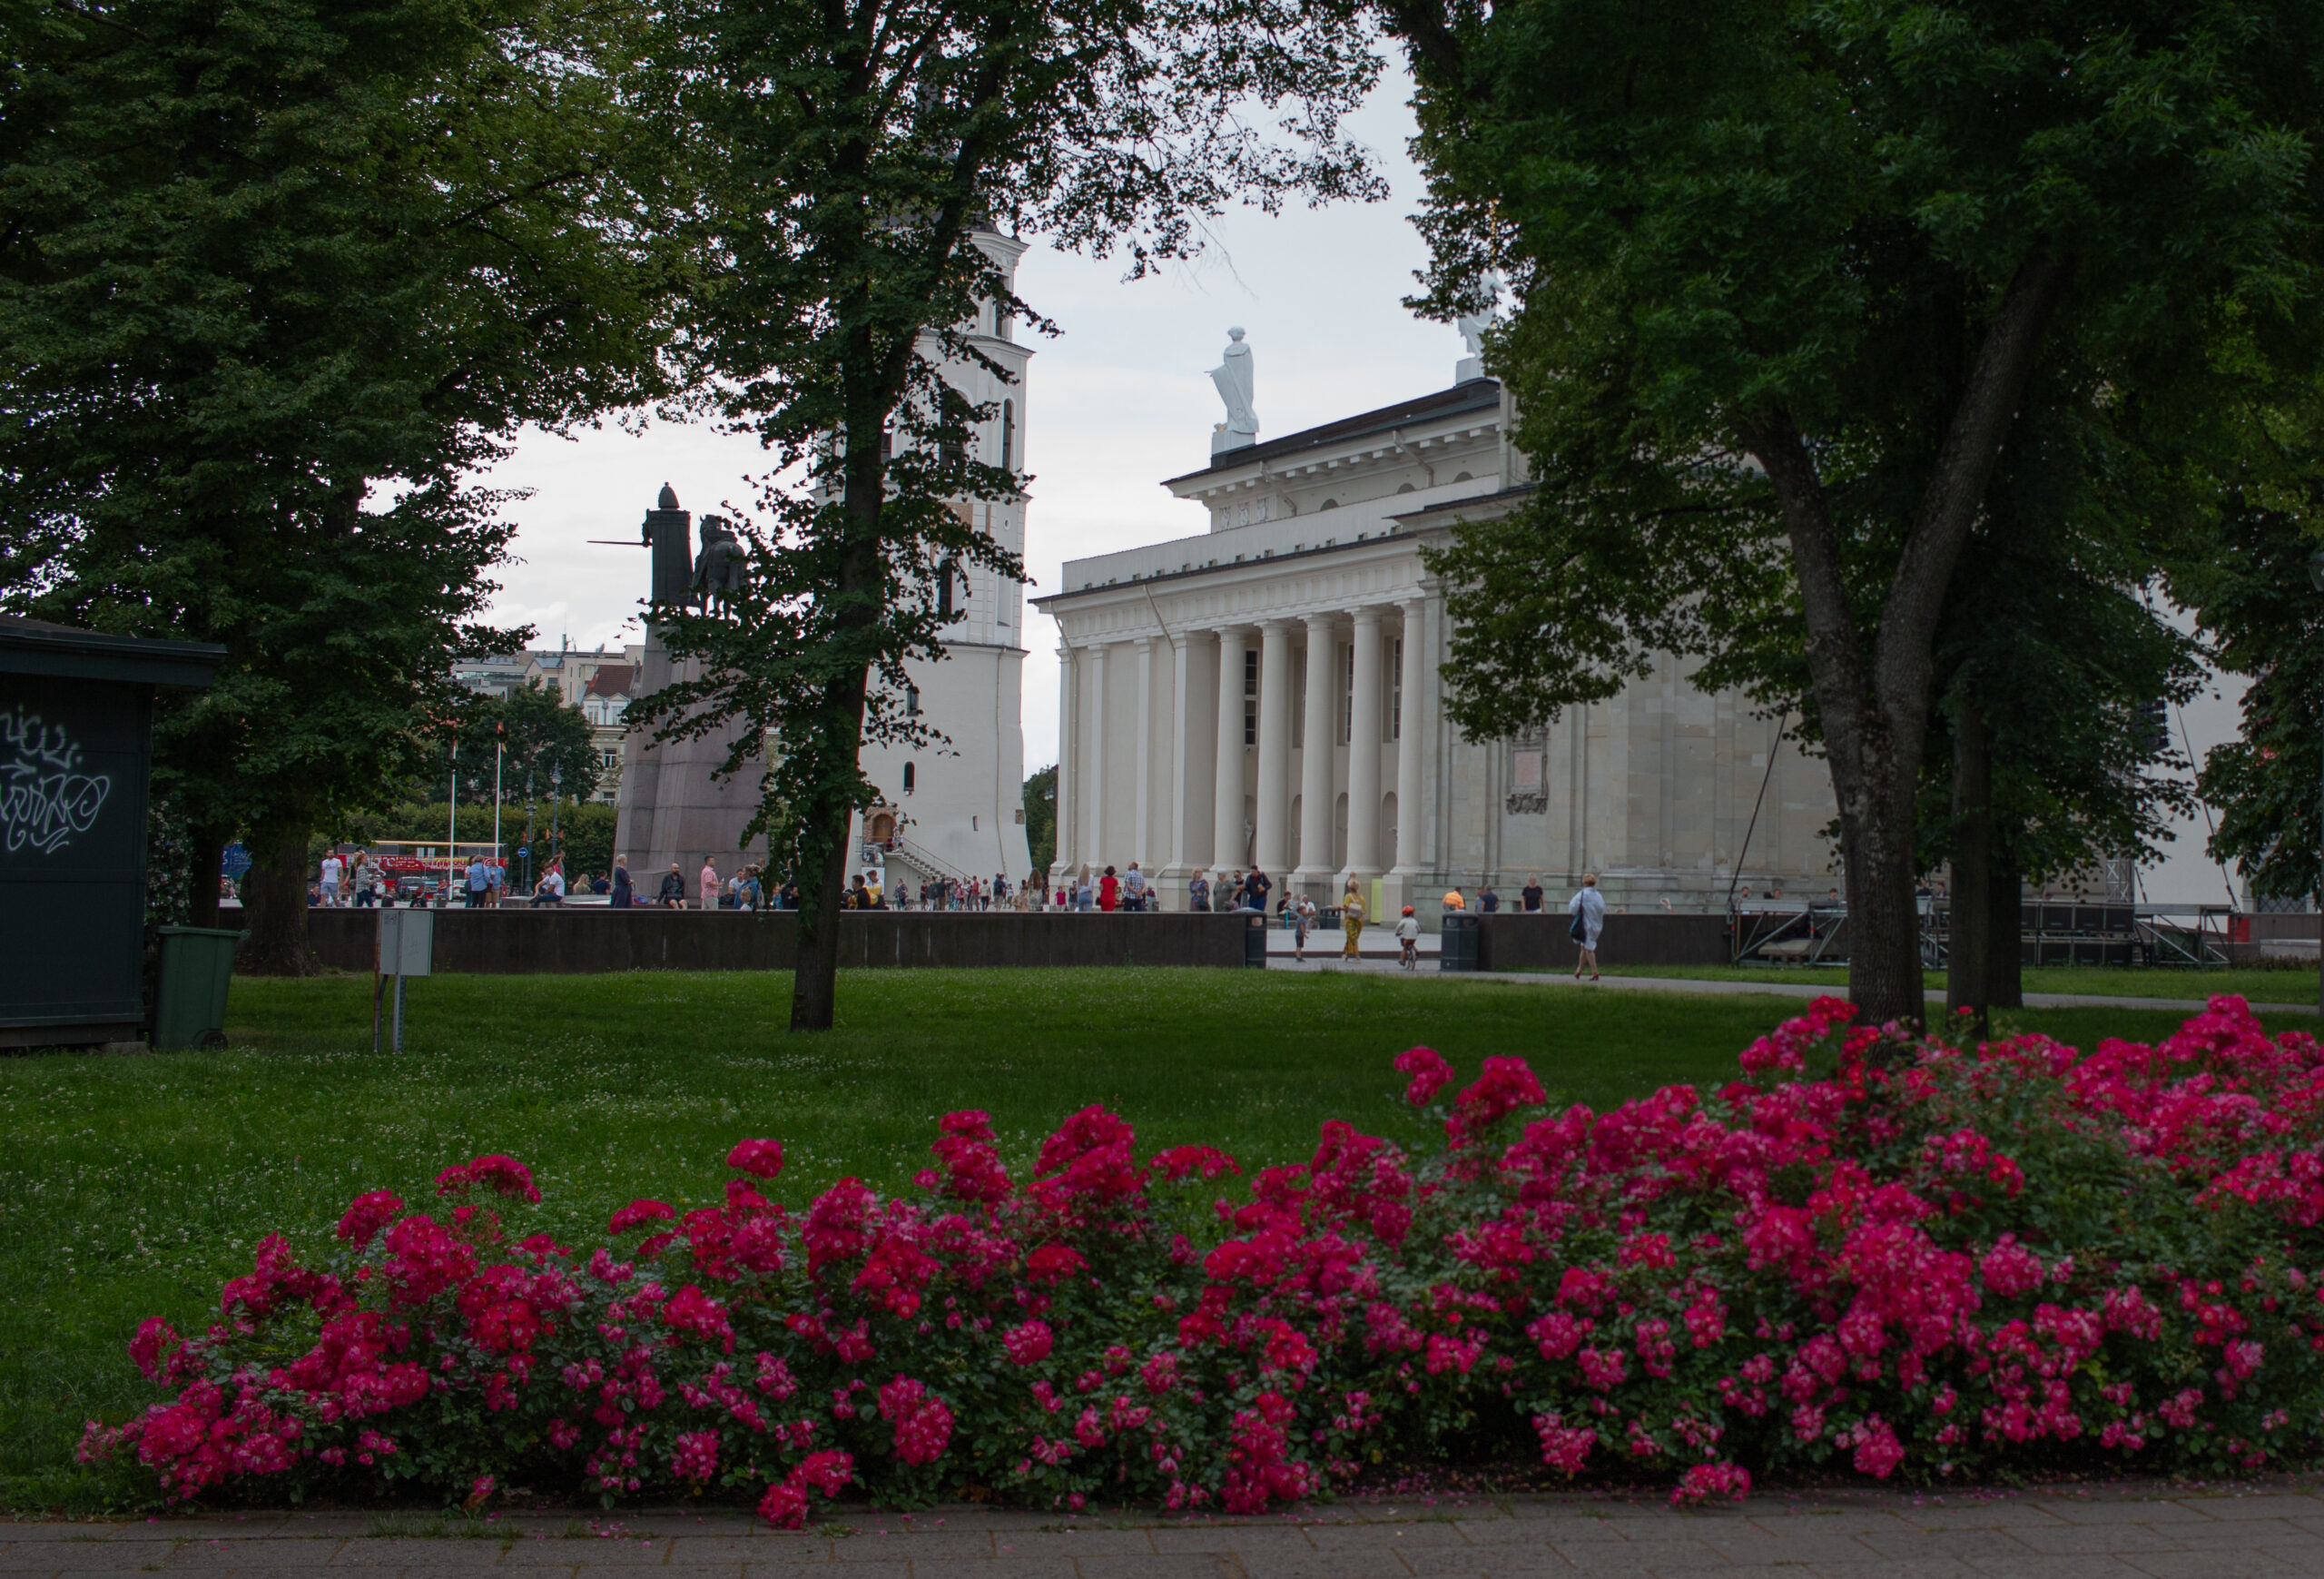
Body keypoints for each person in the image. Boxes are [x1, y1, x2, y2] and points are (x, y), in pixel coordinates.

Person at [1569, 873, 1606, 982]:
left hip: (1586, 924)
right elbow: (1603, 909)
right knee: (1584, 947)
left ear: (1584, 883)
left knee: (1589, 949)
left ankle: (1595, 972)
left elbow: (1572, 909)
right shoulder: (1599, 895)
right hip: (1598, 925)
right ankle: (1579, 969)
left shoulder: (1582, 894)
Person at [1341, 881, 1366, 960]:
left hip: (1350, 919)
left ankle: (1349, 954)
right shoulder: (1361, 897)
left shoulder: (1348, 896)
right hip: (1359, 920)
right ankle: (1353, 955)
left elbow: (1346, 908)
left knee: (1352, 937)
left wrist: (1340, 908)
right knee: (1353, 937)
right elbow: (1364, 910)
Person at [1394, 905, 1420, 971]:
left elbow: (1398, 928)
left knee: (1405, 948)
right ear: (1411, 914)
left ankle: (1403, 961)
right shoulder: (1415, 921)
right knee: (1411, 943)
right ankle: (1416, 951)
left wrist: (1397, 933)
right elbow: (1419, 929)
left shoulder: (1403, 921)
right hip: (1414, 938)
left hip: (1406, 938)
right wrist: (1418, 932)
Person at [1292, 893, 1315, 962]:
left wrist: (1305, 931)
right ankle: (1298, 956)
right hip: (1300, 934)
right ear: (1301, 912)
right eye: (1305, 910)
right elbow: (1302, 927)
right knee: (1299, 946)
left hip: (1298, 934)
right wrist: (1304, 934)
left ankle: (1298, 956)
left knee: (1298, 945)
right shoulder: (1301, 919)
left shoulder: (1300, 918)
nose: (1306, 912)